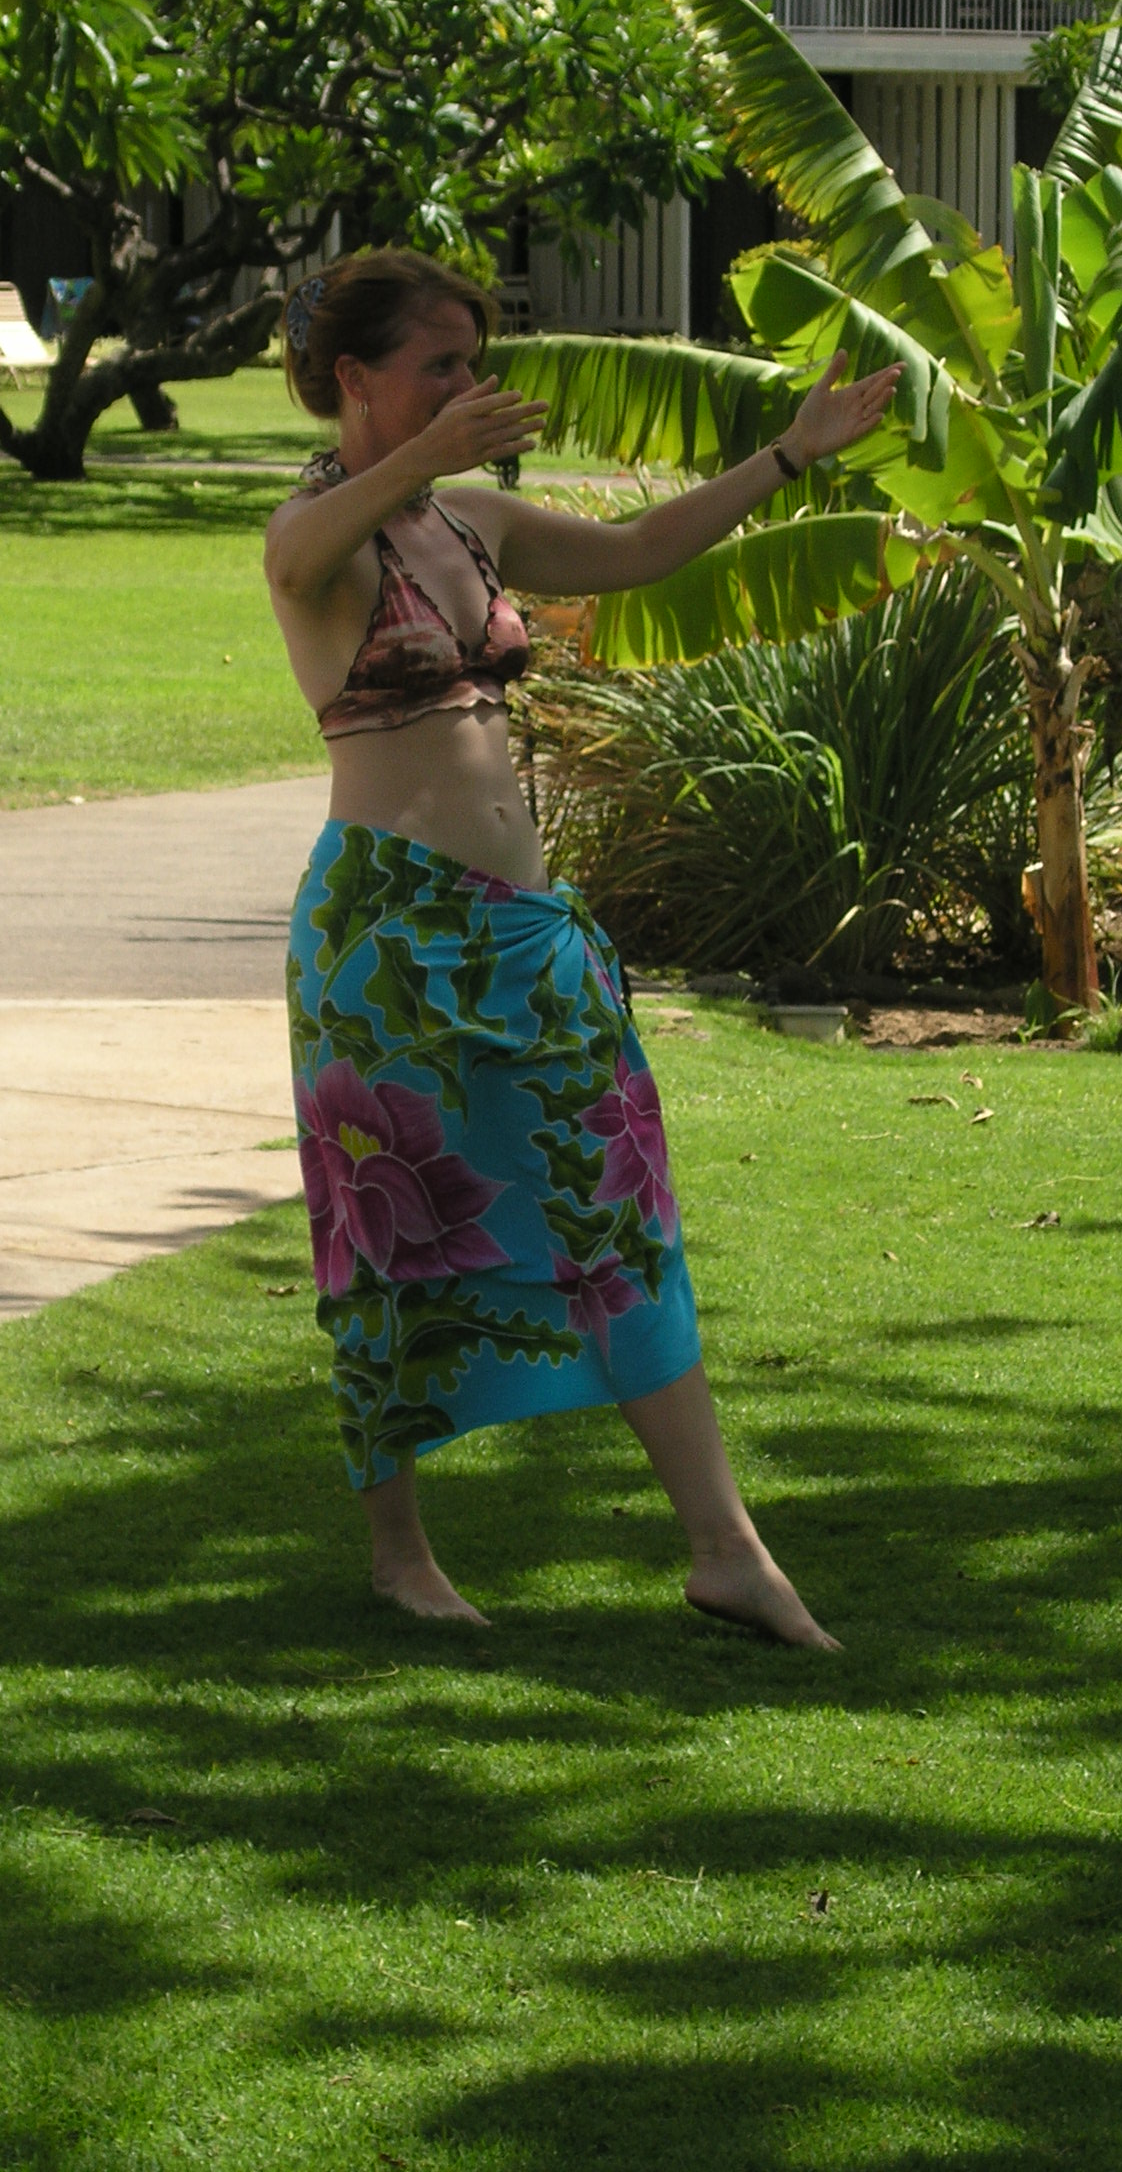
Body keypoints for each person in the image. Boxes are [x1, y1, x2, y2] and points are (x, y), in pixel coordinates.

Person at [265, 247, 902, 1642]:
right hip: (387, 935)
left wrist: (788, 456)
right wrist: (420, 454)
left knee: (619, 1206)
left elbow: (640, 552)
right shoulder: (317, 534)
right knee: (382, 1237)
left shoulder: (470, 519)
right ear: (354, 379)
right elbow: (298, 560)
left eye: (474, 363)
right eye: (438, 366)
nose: (468, 388)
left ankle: (725, 1547)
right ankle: (399, 1555)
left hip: (524, 930)